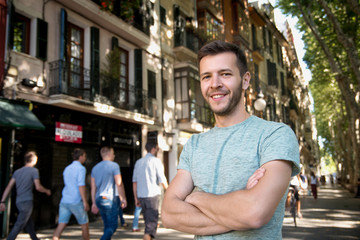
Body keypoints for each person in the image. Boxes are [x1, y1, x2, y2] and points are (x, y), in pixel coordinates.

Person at [161, 40, 300, 239]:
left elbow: (254, 213)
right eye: (206, 76)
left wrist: (196, 197)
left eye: (225, 74)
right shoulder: (194, 144)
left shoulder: (275, 135)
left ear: (245, 80)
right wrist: (239, 209)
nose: (215, 84)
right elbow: (168, 214)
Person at [0, 151, 51, 240]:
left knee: (28, 221)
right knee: (19, 224)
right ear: (34, 160)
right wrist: (46, 191)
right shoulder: (34, 171)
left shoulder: (17, 172)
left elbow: (9, 187)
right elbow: (38, 187)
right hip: (27, 201)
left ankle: (34, 238)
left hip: (19, 202)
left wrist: (2, 201)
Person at [132, 142, 168, 240]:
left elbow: (134, 182)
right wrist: (169, 191)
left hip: (141, 196)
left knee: (148, 223)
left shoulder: (138, 162)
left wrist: (136, 198)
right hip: (152, 196)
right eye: (157, 149)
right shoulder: (156, 161)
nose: (157, 151)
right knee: (150, 227)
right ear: (153, 149)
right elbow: (162, 179)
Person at [91, 146, 127, 240]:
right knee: (113, 226)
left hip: (99, 198)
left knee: (107, 226)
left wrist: (94, 203)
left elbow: (93, 187)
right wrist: (123, 198)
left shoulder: (95, 168)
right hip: (110, 199)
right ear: (109, 154)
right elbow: (119, 183)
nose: (114, 155)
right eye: (113, 153)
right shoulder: (114, 166)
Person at [53, 148, 90, 240]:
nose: (85, 158)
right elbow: (81, 185)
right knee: (84, 225)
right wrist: (85, 201)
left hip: (65, 200)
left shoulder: (67, 168)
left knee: (61, 224)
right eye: (84, 156)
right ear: (80, 156)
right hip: (76, 200)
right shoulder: (81, 169)